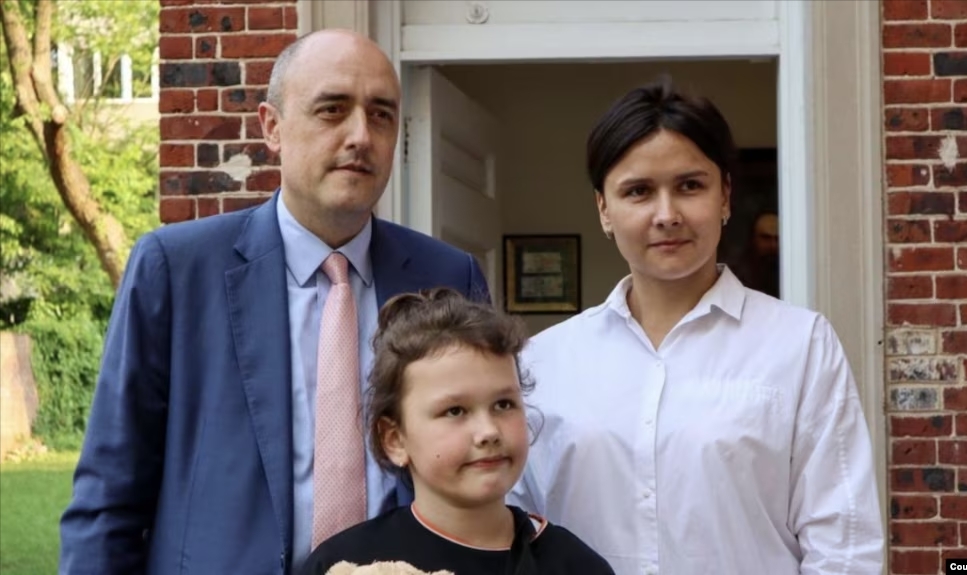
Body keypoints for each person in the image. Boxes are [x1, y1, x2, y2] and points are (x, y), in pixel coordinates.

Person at [59, 30, 489, 574]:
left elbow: (479, 472)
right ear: (272, 127)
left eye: (381, 114)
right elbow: (109, 495)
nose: (361, 134)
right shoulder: (176, 269)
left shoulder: (447, 275)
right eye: (332, 110)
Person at [508, 78, 883, 574]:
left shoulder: (800, 344)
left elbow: (845, 543)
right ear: (604, 209)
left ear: (725, 196)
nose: (667, 215)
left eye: (690, 186)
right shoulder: (545, 361)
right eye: (638, 191)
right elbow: (511, 526)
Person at [300, 289, 615, 575]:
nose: (488, 432)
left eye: (504, 404)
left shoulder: (575, 565)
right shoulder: (348, 564)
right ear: (395, 439)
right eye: (455, 411)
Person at [730, 209, 780, 297]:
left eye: (777, 239)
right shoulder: (735, 276)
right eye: (766, 238)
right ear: (753, 239)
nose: (773, 245)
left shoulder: (792, 272)